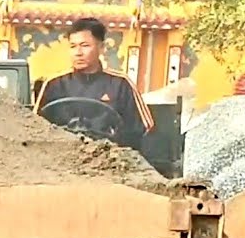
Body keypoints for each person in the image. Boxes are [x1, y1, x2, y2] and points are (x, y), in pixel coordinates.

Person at [34, 17, 155, 151]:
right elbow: (34, 127)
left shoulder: (121, 84)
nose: (78, 53)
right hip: (61, 157)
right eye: (73, 46)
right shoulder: (54, 84)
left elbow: (143, 127)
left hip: (109, 160)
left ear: (102, 47)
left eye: (85, 46)